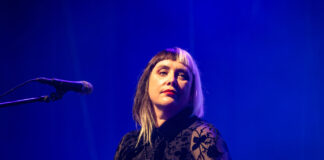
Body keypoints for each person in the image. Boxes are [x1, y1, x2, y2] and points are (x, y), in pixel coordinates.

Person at [114, 47, 231, 160]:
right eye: (163, 72)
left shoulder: (201, 136)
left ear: (192, 92)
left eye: (182, 75)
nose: (171, 80)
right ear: (146, 84)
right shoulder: (129, 144)